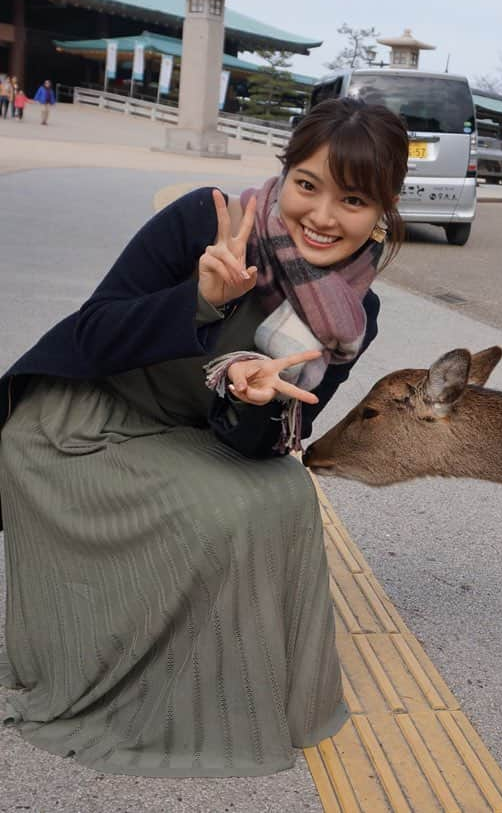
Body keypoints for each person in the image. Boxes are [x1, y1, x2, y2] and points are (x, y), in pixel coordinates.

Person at [0, 97, 409, 776]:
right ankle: (145, 679)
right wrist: (200, 299)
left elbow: (264, 445)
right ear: (285, 173)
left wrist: (251, 400)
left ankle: (242, 687)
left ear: (383, 213)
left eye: (354, 199)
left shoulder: (351, 316)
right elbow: (93, 332)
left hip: (176, 433)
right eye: (308, 184)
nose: (323, 216)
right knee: (223, 510)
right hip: (80, 422)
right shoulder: (208, 218)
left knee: (285, 493)